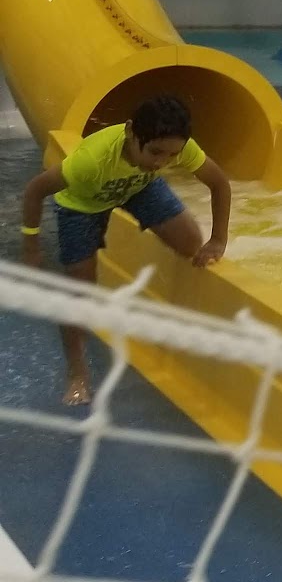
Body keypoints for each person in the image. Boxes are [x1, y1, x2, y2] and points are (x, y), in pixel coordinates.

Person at [18, 95, 234, 406]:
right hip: (82, 204)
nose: (161, 162)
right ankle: (77, 372)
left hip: (139, 186)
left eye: (172, 155)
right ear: (131, 131)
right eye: (155, 152)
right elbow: (34, 191)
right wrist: (31, 245)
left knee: (191, 244)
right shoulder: (92, 161)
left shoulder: (175, 149)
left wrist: (218, 239)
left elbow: (219, 183)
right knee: (80, 289)